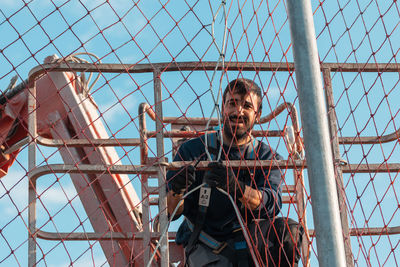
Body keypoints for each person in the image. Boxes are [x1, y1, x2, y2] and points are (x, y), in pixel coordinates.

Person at [166, 78, 303, 266]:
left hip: (251, 240)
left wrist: (236, 188)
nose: (238, 111)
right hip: (205, 243)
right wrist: (178, 188)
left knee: (288, 231)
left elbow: (271, 204)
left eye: (246, 105)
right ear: (223, 108)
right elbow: (170, 212)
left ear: (258, 114)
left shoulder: (266, 156)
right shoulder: (193, 151)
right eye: (233, 103)